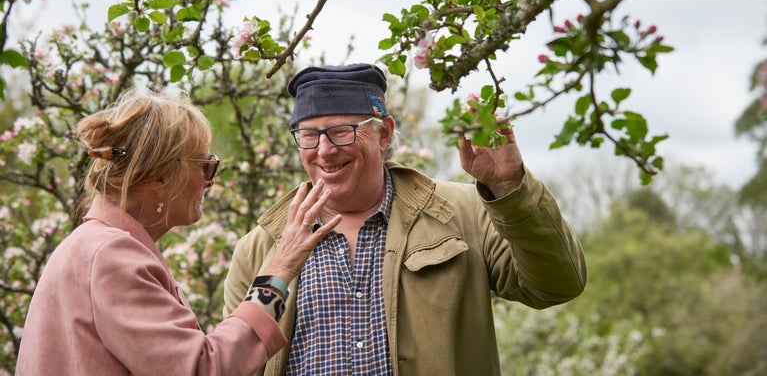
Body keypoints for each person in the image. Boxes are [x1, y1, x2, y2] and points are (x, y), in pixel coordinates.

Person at [222, 63, 587, 376]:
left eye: (341, 132)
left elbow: (558, 285)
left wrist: (510, 189)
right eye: (308, 135)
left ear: (384, 133)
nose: (324, 150)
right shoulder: (260, 249)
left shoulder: (464, 213)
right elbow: (232, 364)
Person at [15, 89, 341, 376]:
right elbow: (202, 368)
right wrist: (280, 268)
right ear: (159, 176)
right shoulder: (111, 256)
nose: (210, 180)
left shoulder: (92, 245)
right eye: (205, 166)